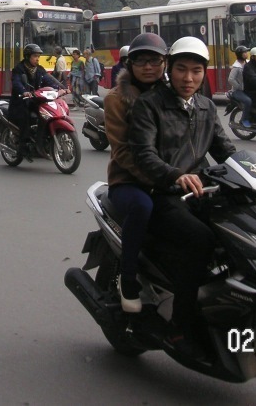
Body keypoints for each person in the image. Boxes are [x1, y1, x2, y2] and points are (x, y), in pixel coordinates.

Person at [128, 36, 236, 362]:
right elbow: (144, 154)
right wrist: (174, 175)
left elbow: (226, 150)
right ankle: (179, 325)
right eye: (181, 70)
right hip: (163, 193)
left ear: (205, 73)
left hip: (201, 191)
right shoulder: (150, 105)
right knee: (200, 240)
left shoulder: (205, 106)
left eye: (196, 71)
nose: (188, 79)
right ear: (169, 70)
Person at [103, 33, 168, 314]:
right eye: (141, 61)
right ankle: (128, 278)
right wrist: (157, 178)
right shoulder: (117, 100)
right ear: (130, 65)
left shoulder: (174, 94)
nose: (149, 67)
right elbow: (122, 151)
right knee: (143, 206)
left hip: (169, 176)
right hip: (128, 180)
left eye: (154, 60)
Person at [9, 43, 66, 160]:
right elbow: (17, 83)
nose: (37, 59)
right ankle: (23, 147)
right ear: (27, 57)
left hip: (36, 100)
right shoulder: (19, 69)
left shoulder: (39, 69)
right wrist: (24, 91)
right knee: (26, 118)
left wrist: (60, 88)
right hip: (21, 101)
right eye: (35, 56)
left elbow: (49, 80)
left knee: (48, 112)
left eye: (38, 56)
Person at [227, 45, 253, 127]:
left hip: (247, 89)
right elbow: (230, 79)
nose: (246, 53)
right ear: (240, 54)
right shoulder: (236, 67)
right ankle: (243, 120)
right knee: (248, 101)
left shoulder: (247, 63)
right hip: (237, 91)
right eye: (244, 52)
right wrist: (239, 86)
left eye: (246, 52)